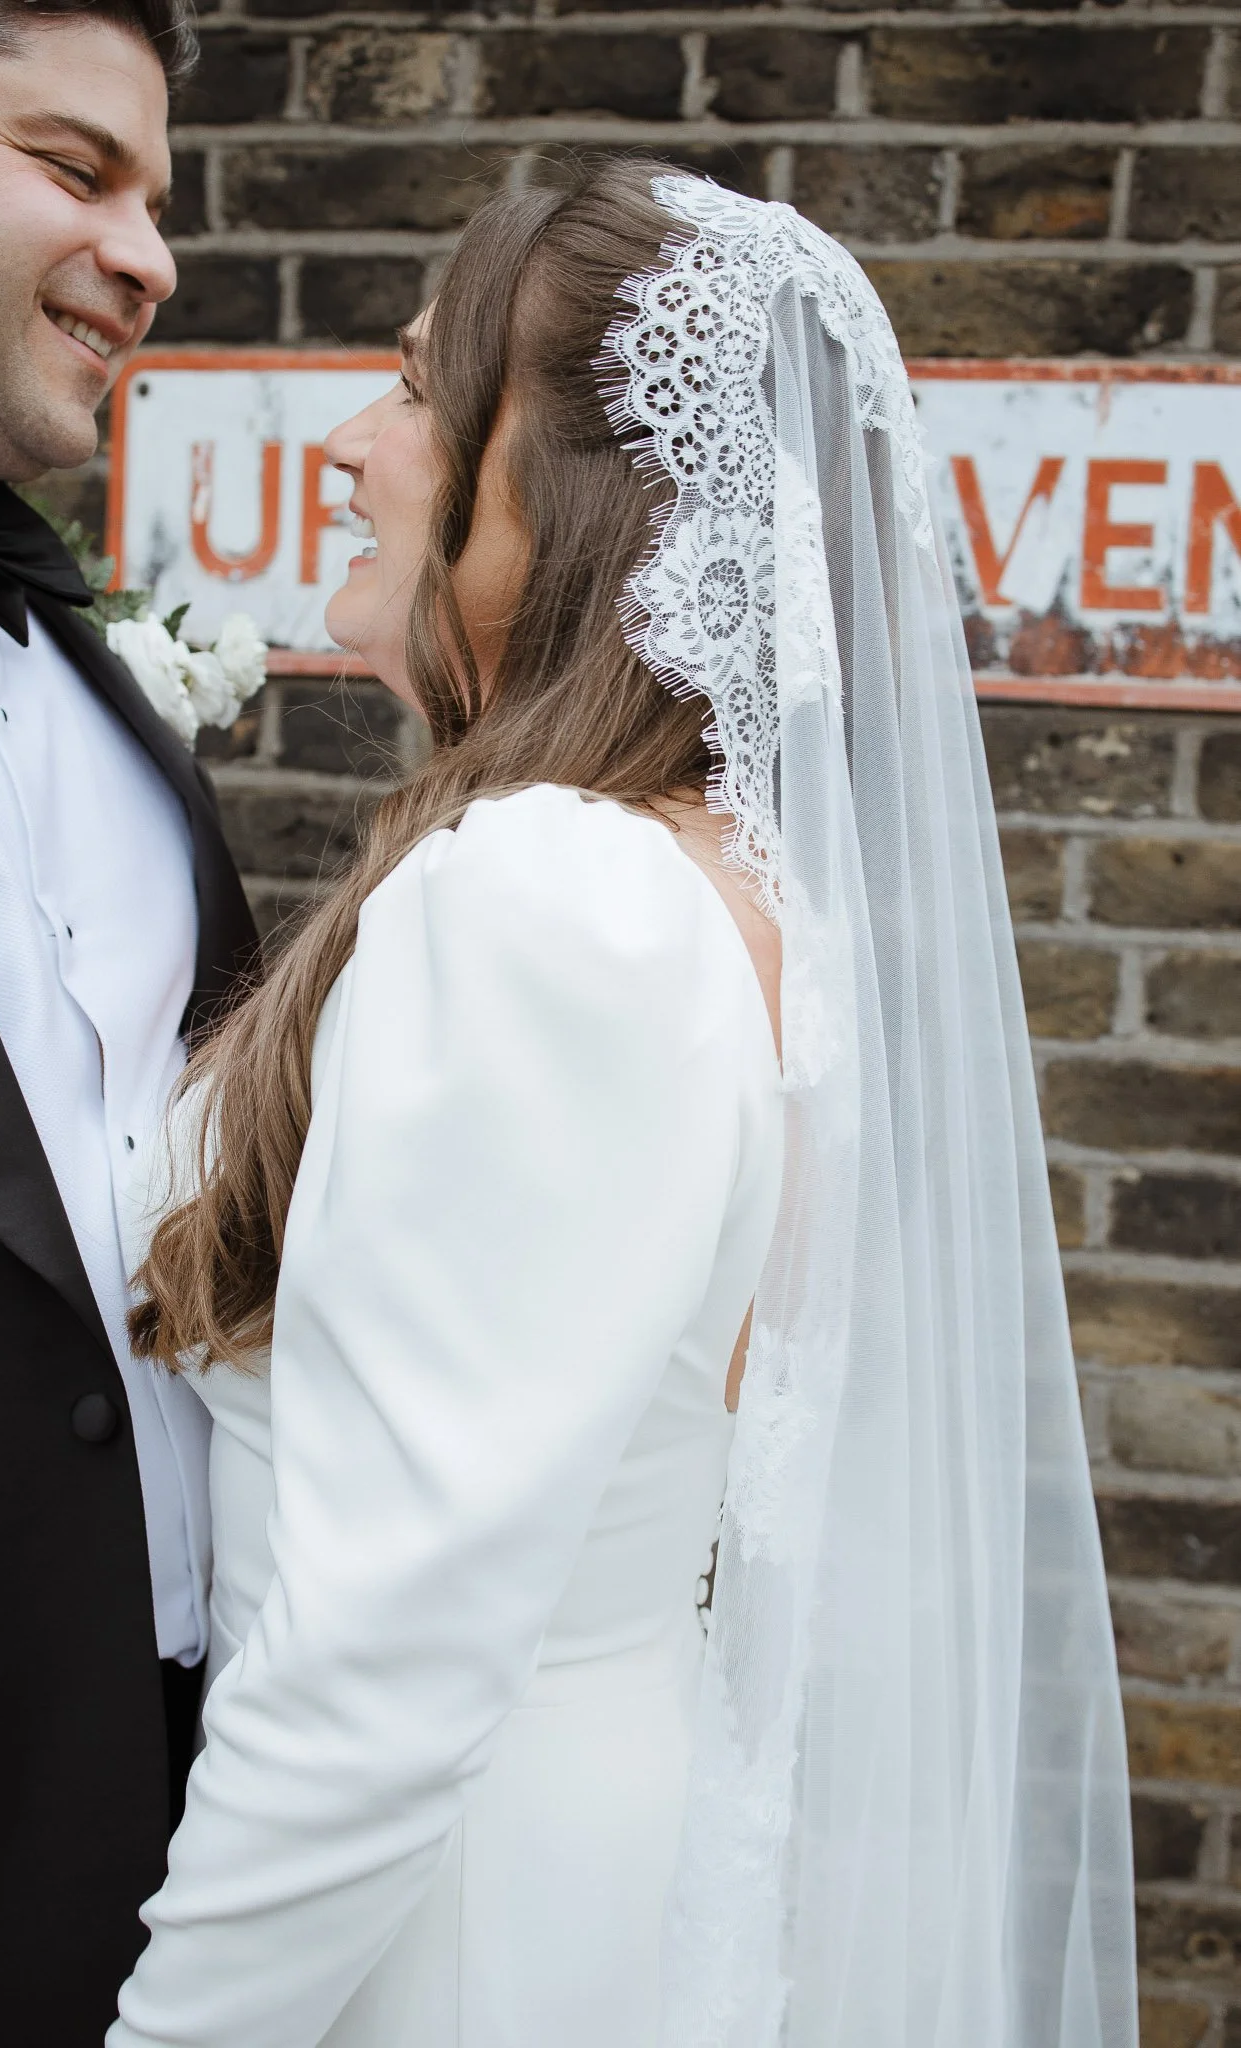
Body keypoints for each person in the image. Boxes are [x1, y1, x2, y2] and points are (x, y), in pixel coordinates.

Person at [110, 162, 1138, 2048]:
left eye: (420, 388)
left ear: (575, 492)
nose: (351, 441)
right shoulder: (735, 898)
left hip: (446, 1924)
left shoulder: (548, 901)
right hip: (601, 1851)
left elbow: (387, 1662)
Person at [0, 6, 255, 2045]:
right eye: (75, 169)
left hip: (186, 1786)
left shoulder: (109, 694)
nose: (150, 252)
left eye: (159, 200)